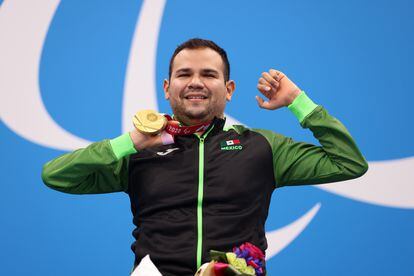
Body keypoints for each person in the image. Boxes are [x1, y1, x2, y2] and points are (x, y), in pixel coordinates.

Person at [41, 38, 368, 275]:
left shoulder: (261, 147)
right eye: (184, 74)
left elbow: (348, 163)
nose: (196, 82)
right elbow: (56, 175)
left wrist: (297, 100)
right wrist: (129, 142)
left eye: (209, 75)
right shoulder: (137, 153)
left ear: (229, 89)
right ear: (168, 88)